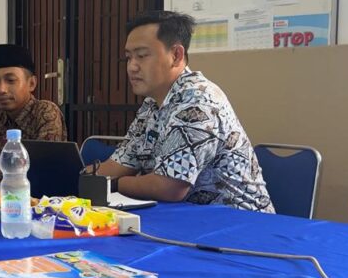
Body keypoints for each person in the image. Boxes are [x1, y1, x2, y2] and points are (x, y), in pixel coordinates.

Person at [89, 11, 273, 212]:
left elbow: (169, 187)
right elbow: (119, 164)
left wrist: (112, 184)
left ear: (176, 55)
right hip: (190, 216)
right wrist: (80, 176)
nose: (132, 67)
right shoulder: (151, 105)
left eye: (141, 56)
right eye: (128, 57)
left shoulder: (199, 100)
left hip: (241, 220)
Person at [0, 44, 67, 187]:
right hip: (7, 196)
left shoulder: (46, 112)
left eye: (10, 80)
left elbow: (42, 168)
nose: (1, 89)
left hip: (46, 197)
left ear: (31, 83)